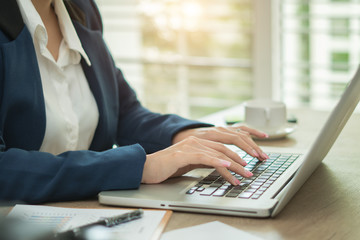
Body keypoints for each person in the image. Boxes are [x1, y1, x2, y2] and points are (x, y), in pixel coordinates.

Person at [0, 0, 269, 204]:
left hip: (89, 213)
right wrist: (141, 167)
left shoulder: (81, 9)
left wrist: (184, 135)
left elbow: (124, 112)